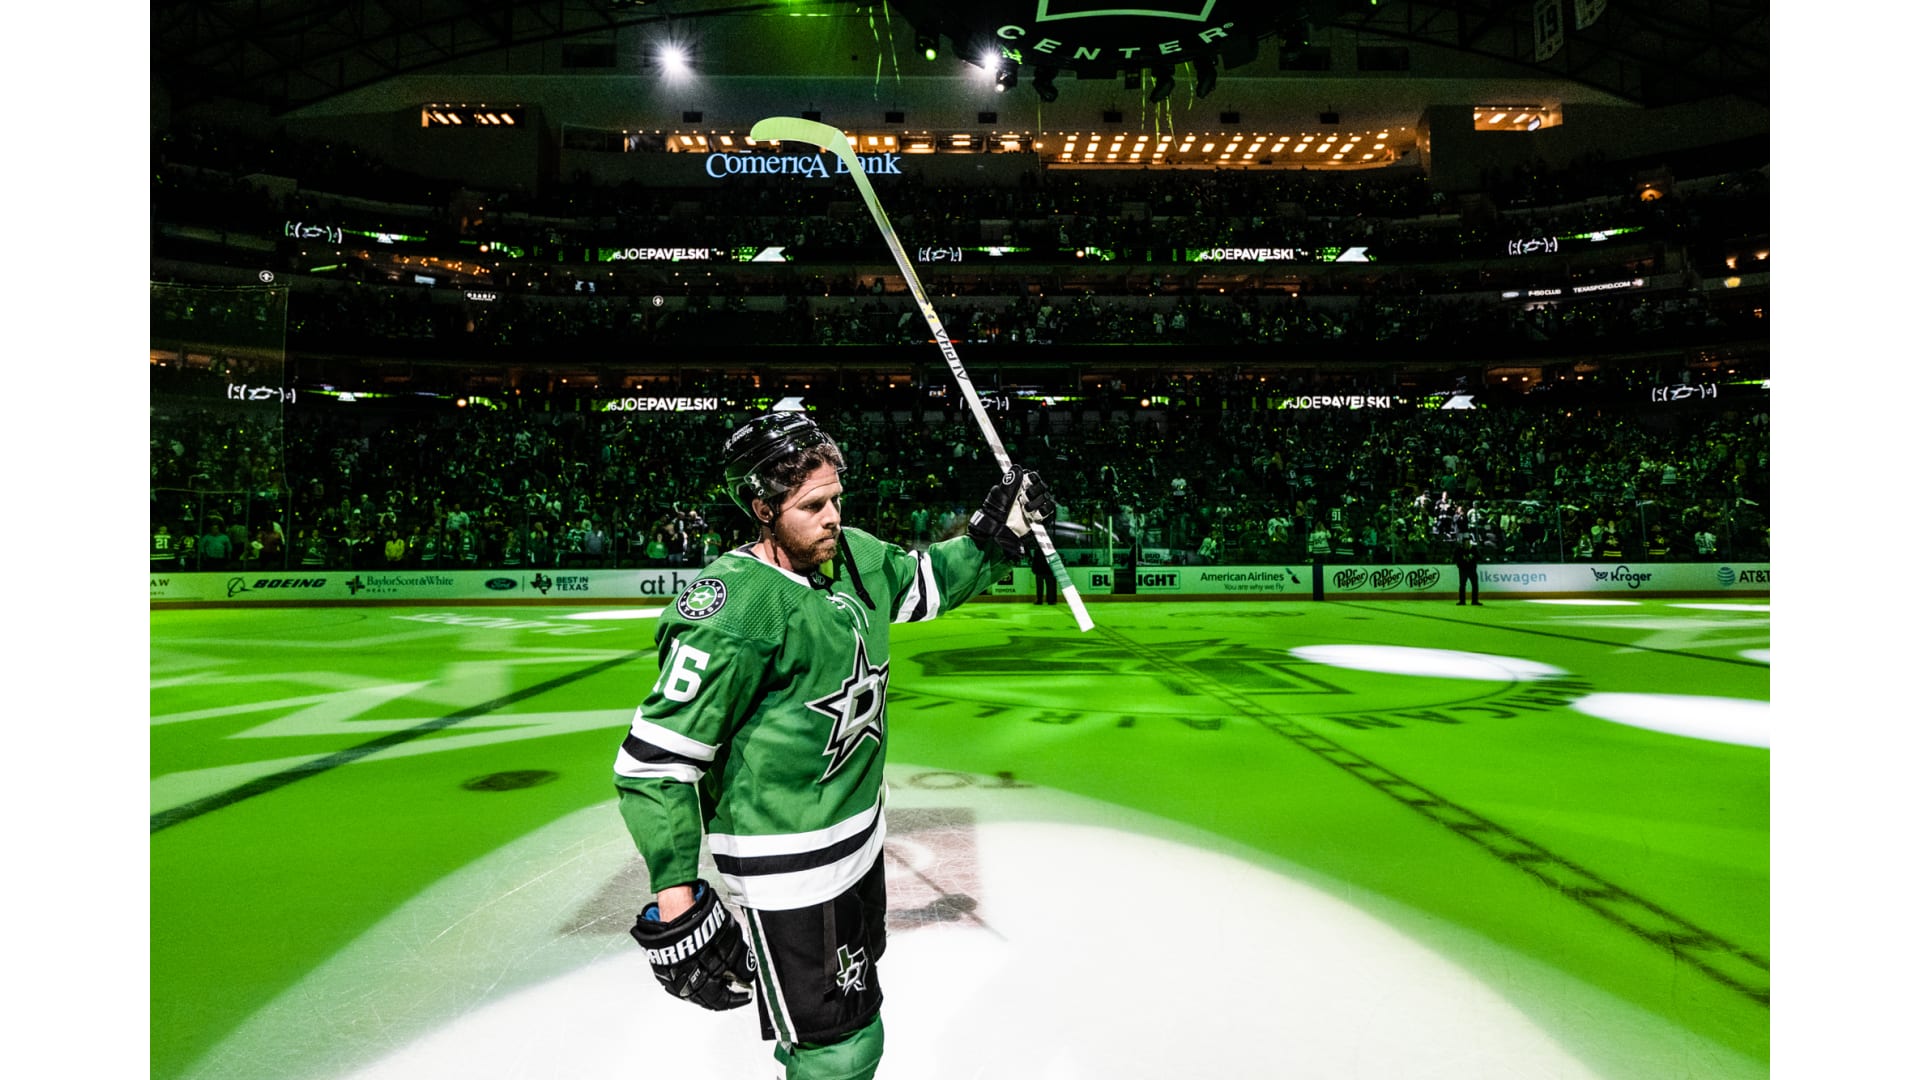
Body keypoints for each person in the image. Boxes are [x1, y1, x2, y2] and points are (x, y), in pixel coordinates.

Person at [613, 412, 1054, 1080]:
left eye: (836, 500)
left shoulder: (854, 557)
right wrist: (677, 898)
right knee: (839, 1050)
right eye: (812, 506)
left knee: (850, 1009)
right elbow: (657, 764)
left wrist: (996, 532)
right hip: (787, 865)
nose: (832, 518)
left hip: (859, 841)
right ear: (762, 509)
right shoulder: (732, 611)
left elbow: (927, 581)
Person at [1454, 538, 1481, 606]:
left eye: (1469, 543)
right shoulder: (1459, 550)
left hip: (1472, 570)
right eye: (1466, 543)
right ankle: (1462, 601)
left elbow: (1479, 557)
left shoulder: (1474, 549)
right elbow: (1455, 558)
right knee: (1462, 585)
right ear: (1463, 544)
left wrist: (1472, 557)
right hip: (1463, 570)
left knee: (1475, 585)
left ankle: (1474, 601)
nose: (1468, 544)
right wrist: (1460, 564)